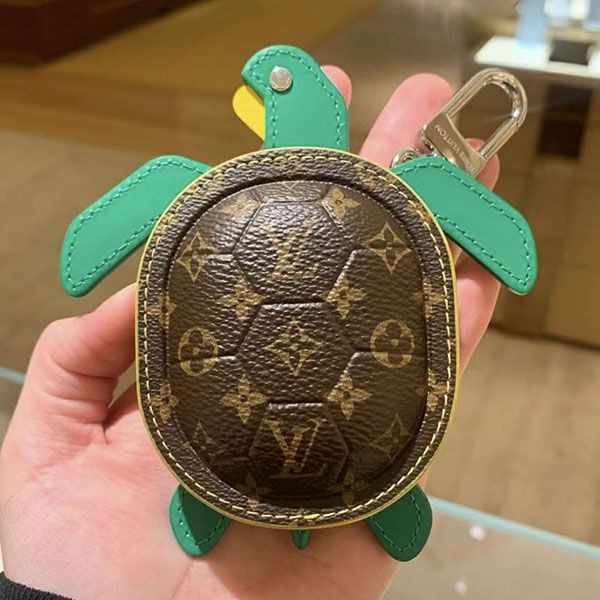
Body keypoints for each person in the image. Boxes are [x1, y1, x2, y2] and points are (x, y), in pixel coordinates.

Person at [0, 66, 500, 600]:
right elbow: (497, 239)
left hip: (224, 457)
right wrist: (494, 232)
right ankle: (389, 512)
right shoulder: (401, 195)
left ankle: (209, 510)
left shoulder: (190, 187)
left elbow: (98, 244)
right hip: (362, 452)